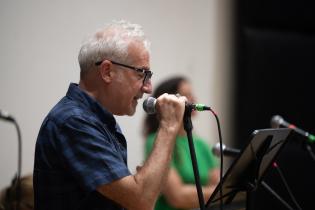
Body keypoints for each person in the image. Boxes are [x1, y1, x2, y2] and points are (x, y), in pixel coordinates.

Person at [33, 20, 187, 210]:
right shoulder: (73, 122)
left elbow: (142, 196)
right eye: (141, 73)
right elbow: (141, 201)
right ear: (107, 72)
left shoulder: (99, 121)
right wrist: (168, 126)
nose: (148, 88)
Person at [143, 76, 220, 210]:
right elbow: (177, 197)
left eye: (191, 94)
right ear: (170, 103)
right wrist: (217, 193)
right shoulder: (156, 141)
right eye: (186, 95)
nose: (193, 100)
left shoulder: (201, 144)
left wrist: (219, 192)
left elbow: (220, 185)